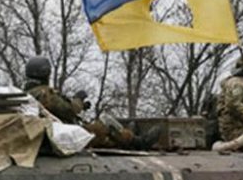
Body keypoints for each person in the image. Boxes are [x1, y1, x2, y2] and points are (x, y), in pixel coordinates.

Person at [24, 56, 158, 150]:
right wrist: (79, 99)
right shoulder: (44, 94)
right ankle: (138, 142)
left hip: (53, 133)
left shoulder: (27, 94)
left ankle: (127, 137)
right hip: (64, 135)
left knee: (102, 136)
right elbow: (70, 110)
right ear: (46, 73)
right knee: (105, 124)